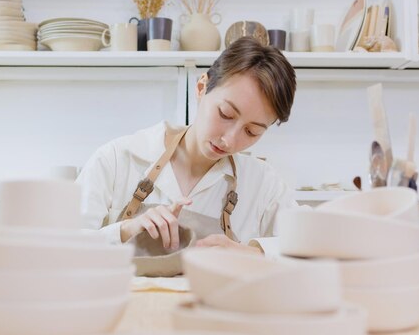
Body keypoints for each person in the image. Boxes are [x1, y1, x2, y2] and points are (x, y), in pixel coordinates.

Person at [77, 37, 297, 258]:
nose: (230, 140)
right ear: (202, 87)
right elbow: (59, 249)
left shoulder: (263, 184)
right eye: (226, 114)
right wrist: (124, 231)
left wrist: (253, 252)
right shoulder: (116, 159)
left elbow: (316, 248)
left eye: (251, 132)